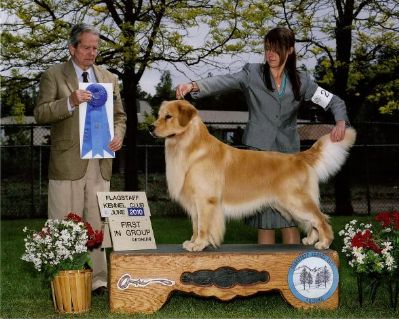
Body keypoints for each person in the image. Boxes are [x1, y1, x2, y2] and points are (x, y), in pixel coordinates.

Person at [175, 27, 348, 245]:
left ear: (290, 50)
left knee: (290, 219)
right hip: (256, 157)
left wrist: (341, 122)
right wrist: (193, 85)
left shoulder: (302, 81)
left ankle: (293, 268)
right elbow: (223, 81)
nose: (271, 54)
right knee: (264, 221)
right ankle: (265, 273)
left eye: (276, 49)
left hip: (287, 154)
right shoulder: (252, 74)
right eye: (267, 49)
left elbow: (334, 101)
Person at [34, 23, 127, 295]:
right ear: (72, 48)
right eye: (86, 47)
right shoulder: (53, 75)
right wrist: (70, 102)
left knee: (97, 223)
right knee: (63, 222)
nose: (92, 52)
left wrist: (118, 135)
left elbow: (119, 116)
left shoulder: (109, 77)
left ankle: (98, 280)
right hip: (66, 163)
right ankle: (63, 278)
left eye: (96, 47)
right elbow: (40, 113)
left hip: (100, 161)